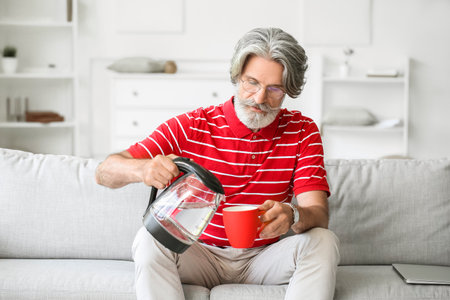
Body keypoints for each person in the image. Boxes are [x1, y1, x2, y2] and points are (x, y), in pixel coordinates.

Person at [96, 27, 340, 300]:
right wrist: (142, 169)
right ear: (237, 77)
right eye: (251, 82)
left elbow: (318, 213)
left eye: (274, 89)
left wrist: (293, 214)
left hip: (264, 258)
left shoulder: (302, 131)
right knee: (148, 238)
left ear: (289, 91)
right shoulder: (192, 125)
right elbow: (104, 172)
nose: (259, 98)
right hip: (197, 255)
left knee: (324, 242)